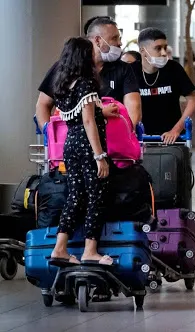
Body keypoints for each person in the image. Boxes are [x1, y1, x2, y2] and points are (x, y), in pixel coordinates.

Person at [48, 37, 112, 267]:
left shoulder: (63, 85)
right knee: (96, 195)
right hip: (88, 145)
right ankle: (90, 250)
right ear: (84, 56)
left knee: (75, 196)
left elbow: (77, 117)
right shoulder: (86, 83)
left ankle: (60, 248)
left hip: (70, 144)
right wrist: (100, 156)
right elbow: (88, 120)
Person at [36, 16, 141, 131]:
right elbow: (43, 104)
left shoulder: (124, 69)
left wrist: (128, 133)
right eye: (114, 38)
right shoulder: (64, 67)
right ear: (97, 40)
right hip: (72, 139)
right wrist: (49, 133)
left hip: (114, 138)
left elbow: (134, 107)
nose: (120, 43)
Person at [131, 27, 195, 144]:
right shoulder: (131, 71)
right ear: (143, 51)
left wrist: (176, 130)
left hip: (172, 140)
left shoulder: (174, 68)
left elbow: (193, 99)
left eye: (165, 47)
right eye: (158, 48)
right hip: (140, 139)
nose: (163, 53)